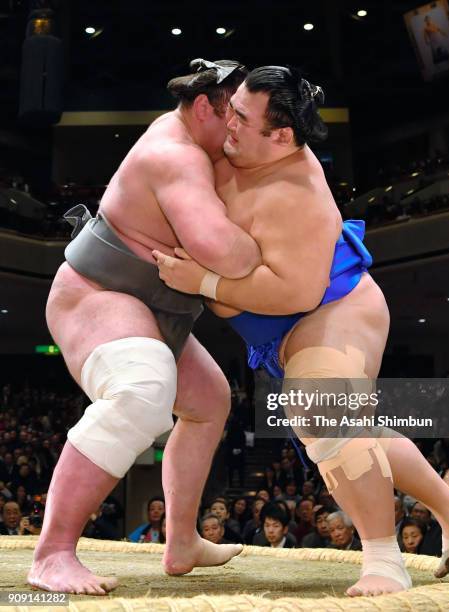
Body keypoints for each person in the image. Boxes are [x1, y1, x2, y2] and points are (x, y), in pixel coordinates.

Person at [155, 65, 449, 596]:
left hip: (333, 306)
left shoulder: (297, 190)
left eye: (241, 115)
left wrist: (206, 280)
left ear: (281, 135)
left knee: (323, 410)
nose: (228, 120)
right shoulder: (232, 139)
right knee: (343, 427)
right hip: (280, 329)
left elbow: (295, 293)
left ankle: (384, 559)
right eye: (230, 106)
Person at [28, 59, 259, 595]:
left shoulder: (190, 139)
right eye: (236, 116)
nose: (240, 130)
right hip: (98, 293)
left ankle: (181, 541)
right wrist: (268, 243)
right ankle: (53, 553)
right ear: (205, 107)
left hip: (156, 305)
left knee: (209, 403)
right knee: (142, 390)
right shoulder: (173, 155)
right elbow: (224, 251)